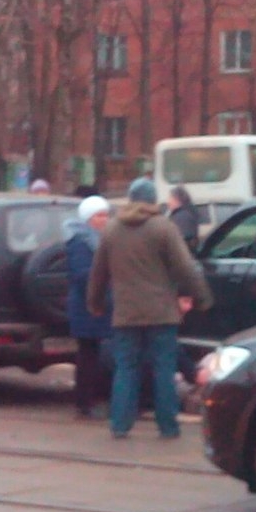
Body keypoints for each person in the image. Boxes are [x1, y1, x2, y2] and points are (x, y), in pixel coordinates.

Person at [87, 177, 213, 439]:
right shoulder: (163, 228)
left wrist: (95, 303)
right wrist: (201, 297)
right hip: (161, 313)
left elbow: (98, 273)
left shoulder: (112, 230)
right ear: (153, 199)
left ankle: (120, 424)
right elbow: (185, 267)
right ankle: (168, 426)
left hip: (126, 313)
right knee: (163, 369)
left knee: (126, 368)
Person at [64, 195, 114, 420]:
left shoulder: (99, 239)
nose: (104, 220)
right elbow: (82, 274)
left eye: (106, 215)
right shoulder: (81, 241)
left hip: (96, 304)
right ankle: (84, 403)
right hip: (87, 307)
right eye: (99, 216)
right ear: (88, 219)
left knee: (92, 354)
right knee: (87, 356)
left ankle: (89, 400)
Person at [167, 185, 199, 254]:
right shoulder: (187, 213)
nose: (168, 202)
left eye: (170, 198)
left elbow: (182, 241)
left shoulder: (182, 217)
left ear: (177, 199)